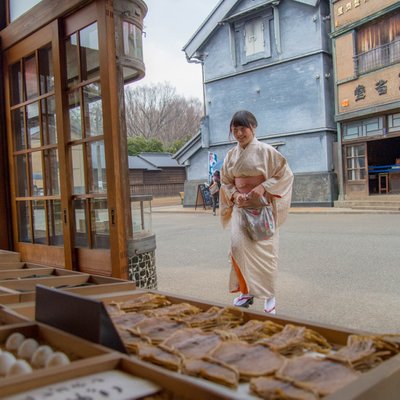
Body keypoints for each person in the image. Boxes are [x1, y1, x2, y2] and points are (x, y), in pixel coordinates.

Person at [219, 110, 293, 314]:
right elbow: (225, 181)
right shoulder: (231, 155)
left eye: (243, 128)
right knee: (237, 248)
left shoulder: (266, 151)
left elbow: (285, 175)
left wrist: (262, 188)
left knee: (265, 253)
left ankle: (270, 295)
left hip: (262, 209)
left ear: (253, 127)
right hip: (241, 209)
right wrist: (235, 195)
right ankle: (246, 291)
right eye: (235, 129)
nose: (239, 133)